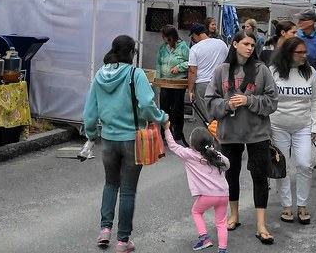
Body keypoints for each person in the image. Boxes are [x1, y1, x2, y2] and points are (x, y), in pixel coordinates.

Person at [84, 35, 167, 252]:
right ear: (131, 53)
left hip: (108, 140)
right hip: (132, 139)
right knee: (128, 191)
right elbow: (147, 104)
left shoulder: (100, 75)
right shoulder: (135, 74)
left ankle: (104, 230)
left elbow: (89, 112)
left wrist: (92, 133)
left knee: (110, 184)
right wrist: (160, 118)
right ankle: (122, 241)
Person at [205, 30, 278, 244]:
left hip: (257, 133)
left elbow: (273, 101)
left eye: (252, 44)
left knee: (259, 176)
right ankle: (234, 216)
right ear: (235, 44)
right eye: (245, 43)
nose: (250, 47)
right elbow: (210, 101)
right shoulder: (221, 71)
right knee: (231, 175)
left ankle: (261, 225)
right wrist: (227, 105)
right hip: (229, 133)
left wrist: (249, 101)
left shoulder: (261, 70)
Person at [269, 36, 316, 225]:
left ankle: (302, 205)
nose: (304, 56)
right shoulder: (273, 71)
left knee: (305, 164)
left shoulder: (310, 73)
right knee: (282, 167)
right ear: (288, 53)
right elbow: (267, 99)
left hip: (303, 126)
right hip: (278, 126)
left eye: (305, 52)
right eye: (299, 53)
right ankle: (286, 206)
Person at [163, 125, 231, 253]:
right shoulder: (215, 155)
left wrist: (166, 128)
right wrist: (215, 155)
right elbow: (227, 165)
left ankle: (204, 238)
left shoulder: (189, 154)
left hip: (207, 195)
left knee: (196, 212)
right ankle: (222, 249)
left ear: (193, 144)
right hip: (223, 193)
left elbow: (172, 146)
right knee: (221, 223)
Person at [187, 23, 229, 125]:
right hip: (221, 83)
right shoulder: (221, 44)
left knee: (206, 116)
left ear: (195, 35)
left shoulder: (195, 49)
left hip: (202, 84)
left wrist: (190, 90)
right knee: (220, 111)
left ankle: (210, 138)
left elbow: (192, 71)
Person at [157, 24, 190, 146]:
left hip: (178, 83)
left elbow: (190, 62)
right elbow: (159, 64)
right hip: (165, 82)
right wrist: (158, 78)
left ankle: (178, 132)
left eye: (164, 36)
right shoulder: (162, 48)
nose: (163, 38)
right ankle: (165, 132)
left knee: (177, 108)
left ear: (170, 37)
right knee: (164, 108)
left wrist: (179, 67)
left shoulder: (183, 47)